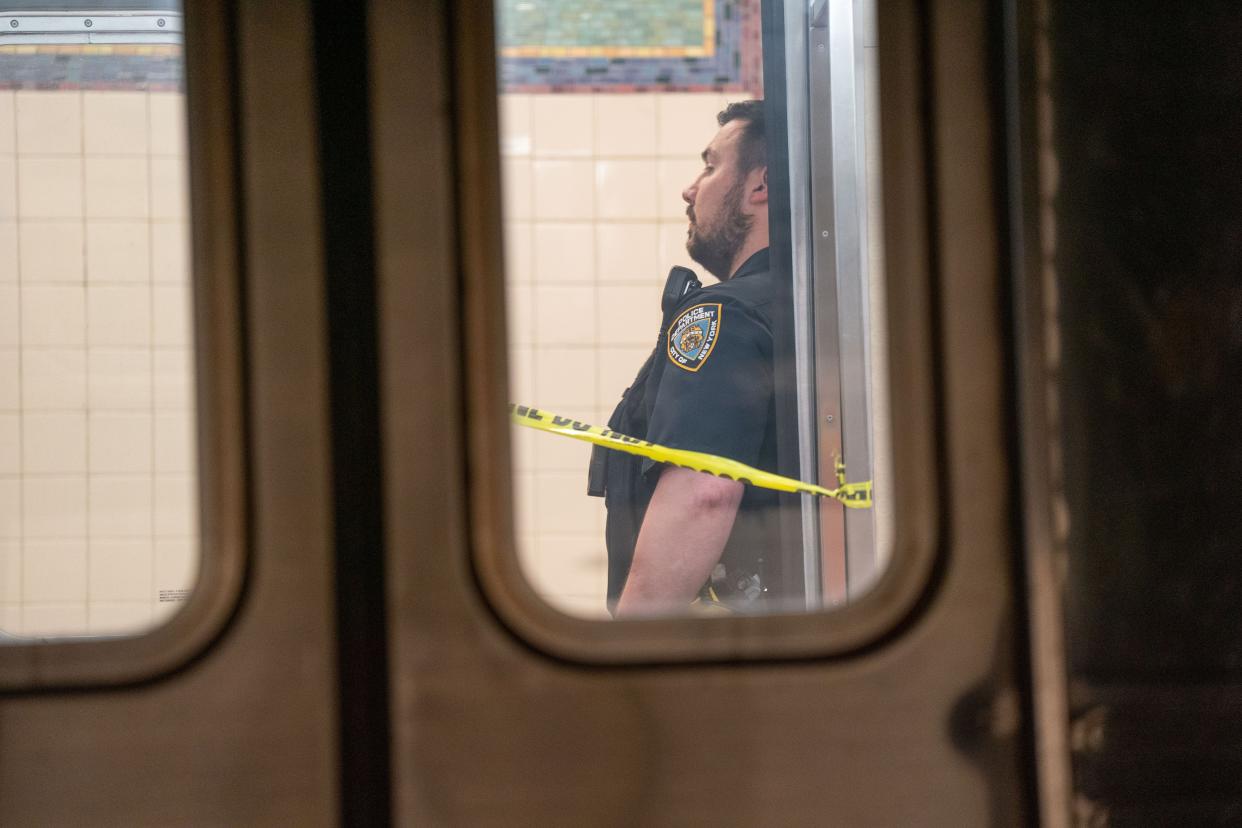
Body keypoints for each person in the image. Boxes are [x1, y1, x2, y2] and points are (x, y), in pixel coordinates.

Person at [588, 99, 779, 618]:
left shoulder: (726, 313)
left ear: (760, 185)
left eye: (711, 166)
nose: (690, 189)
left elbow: (703, 495)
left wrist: (628, 664)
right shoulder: (801, 306)